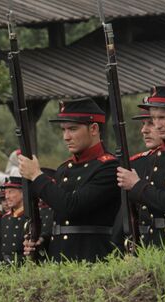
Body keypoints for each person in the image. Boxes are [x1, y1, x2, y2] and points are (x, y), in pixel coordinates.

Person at [19, 97, 120, 261]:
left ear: (93, 129)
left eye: (72, 129)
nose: (66, 136)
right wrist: (43, 241)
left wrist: (36, 176)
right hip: (60, 259)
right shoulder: (64, 168)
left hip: (92, 258)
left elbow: (71, 207)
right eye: (63, 129)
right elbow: (59, 220)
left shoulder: (109, 167)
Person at [117, 86, 165, 246]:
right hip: (152, 247)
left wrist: (137, 185)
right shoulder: (154, 158)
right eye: (154, 118)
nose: (157, 125)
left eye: (163, 118)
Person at [110, 108, 162, 248]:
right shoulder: (137, 163)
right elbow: (126, 214)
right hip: (144, 246)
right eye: (143, 124)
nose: (144, 130)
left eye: (151, 123)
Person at [0, 177, 27, 264]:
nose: (7, 197)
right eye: (5, 193)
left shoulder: (29, 217)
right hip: (5, 267)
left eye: (11, 192)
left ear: (23, 193)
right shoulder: (5, 218)